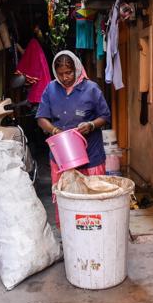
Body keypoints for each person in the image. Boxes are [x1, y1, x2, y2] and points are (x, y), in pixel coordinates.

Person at [36, 50, 111, 227]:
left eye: (68, 73)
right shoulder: (51, 89)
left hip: (91, 155)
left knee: (92, 199)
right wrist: (54, 130)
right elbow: (41, 118)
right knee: (66, 200)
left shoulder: (91, 89)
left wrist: (91, 125)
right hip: (61, 156)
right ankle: (69, 237)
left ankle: (94, 236)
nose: (65, 78)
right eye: (60, 74)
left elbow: (105, 116)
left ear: (76, 69)